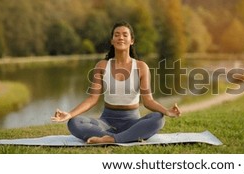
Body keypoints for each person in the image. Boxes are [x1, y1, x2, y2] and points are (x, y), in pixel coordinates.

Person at [51, 21, 181, 144]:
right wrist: (69, 114)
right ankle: (125, 137)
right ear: (112, 41)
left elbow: (148, 101)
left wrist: (166, 111)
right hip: (106, 122)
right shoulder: (102, 65)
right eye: (117, 35)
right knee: (74, 122)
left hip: (132, 121)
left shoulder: (141, 67)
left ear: (132, 40)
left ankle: (110, 139)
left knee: (158, 119)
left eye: (125, 35)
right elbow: (92, 99)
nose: (121, 38)